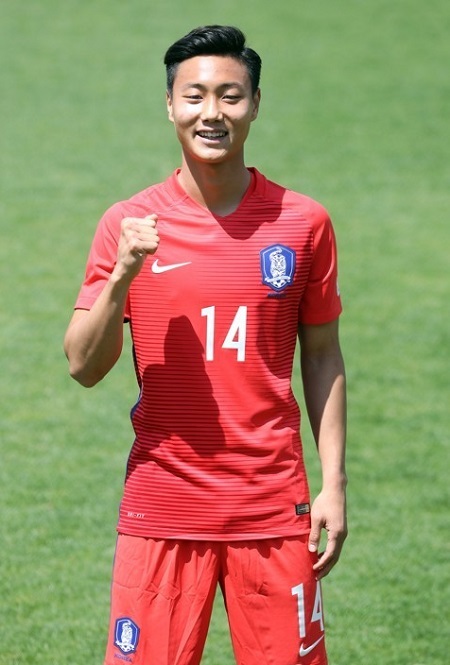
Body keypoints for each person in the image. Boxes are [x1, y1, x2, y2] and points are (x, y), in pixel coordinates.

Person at [64, 24, 347, 665]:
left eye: (230, 95)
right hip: (161, 507)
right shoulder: (127, 224)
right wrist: (123, 275)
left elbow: (324, 355)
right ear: (170, 105)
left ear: (253, 104)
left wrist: (334, 485)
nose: (211, 113)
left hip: (274, 510)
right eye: (194, 96)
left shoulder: (304, 223)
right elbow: (82, 365)